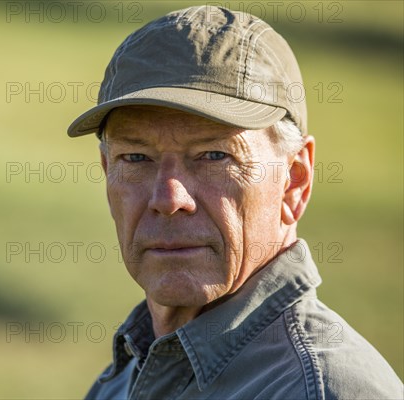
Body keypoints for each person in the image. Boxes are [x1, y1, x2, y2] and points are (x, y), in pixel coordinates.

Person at [67, 5, 403, 400]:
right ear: (107, 171)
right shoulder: (123, 378)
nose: (169, 198)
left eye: (214, 156)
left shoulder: (324, 390)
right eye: (136, 158)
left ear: (294, 180)